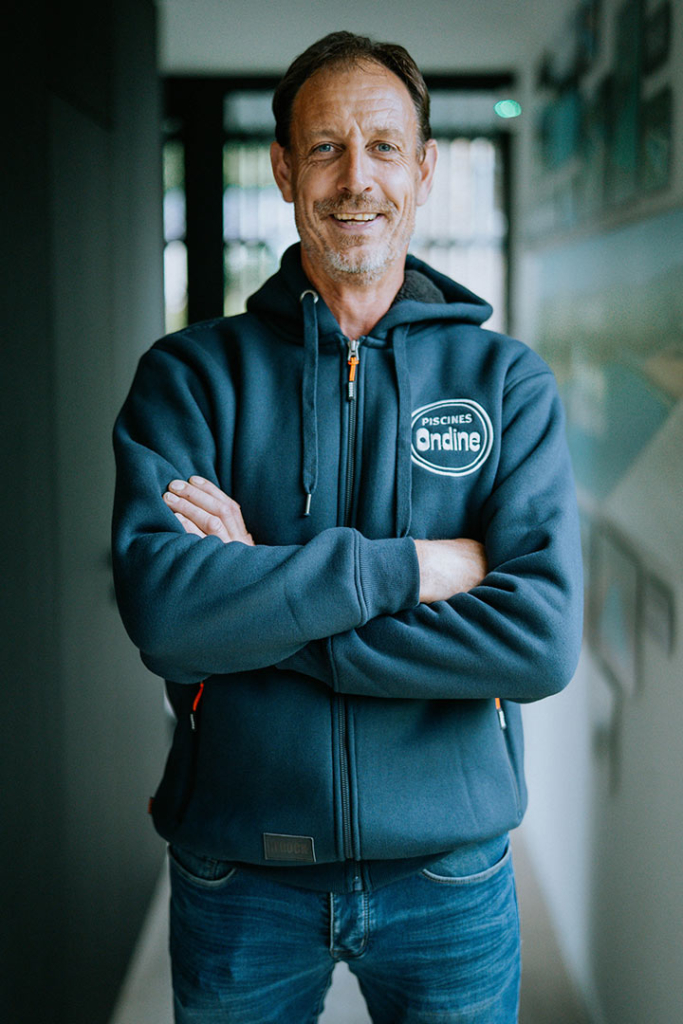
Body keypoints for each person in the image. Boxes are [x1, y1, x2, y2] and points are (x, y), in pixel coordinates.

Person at [112, 30, 583, 1024]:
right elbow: (166, 616)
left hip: (448, 874)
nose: (355, 177)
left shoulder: (506, 384)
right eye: (324, 147)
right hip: (240, 869)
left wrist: (262, 603)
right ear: (284, 169)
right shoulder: (189, 378)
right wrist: (412, 568)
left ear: (423, 169)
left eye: (381, 147)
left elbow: (537, 641)